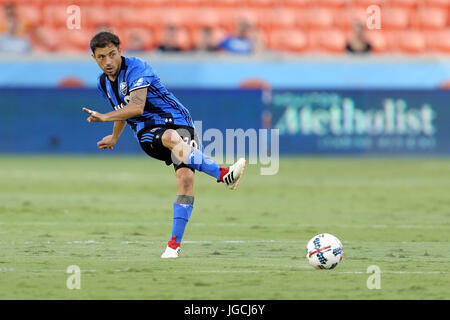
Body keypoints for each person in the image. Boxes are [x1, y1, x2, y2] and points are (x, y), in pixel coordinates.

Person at [82, 32, 246, 259]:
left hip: (181, 122)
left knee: (186, 180)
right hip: (148, 133)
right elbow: (125, 109)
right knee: (169, 137)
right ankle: (223, 174)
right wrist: (114, 136)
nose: (107, 62)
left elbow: (136, 106)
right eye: (101, 57)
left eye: (111, 54)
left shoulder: (138, 68)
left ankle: (173, 246)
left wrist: (104, 117)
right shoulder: (103, 83)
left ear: (120, 50)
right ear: (94, 58)